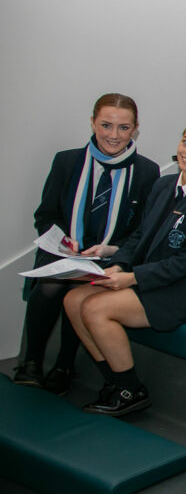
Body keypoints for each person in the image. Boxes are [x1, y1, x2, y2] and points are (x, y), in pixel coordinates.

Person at [62, 121, 186, 416]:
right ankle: (114, 382)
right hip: (148, 276)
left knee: (94, 308)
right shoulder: (164, 184)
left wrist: (132, 278)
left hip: (182, 290)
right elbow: (139, 236)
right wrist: (119, 265)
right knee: (72, 299)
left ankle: (131, 390)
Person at [14, 94, 160, 395]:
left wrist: (111, 249)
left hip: (108, 255)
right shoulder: (66, 161)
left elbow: (141, 230)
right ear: (93, 122)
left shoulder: (147, 171)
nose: (113, 135)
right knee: (52, 286)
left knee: (82, 291)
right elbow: (45, 215)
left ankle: (65, 365)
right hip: (63, 251)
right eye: (106, 125)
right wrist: (63, 241)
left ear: (135, 129)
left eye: (123, 127)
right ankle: (31, 362)